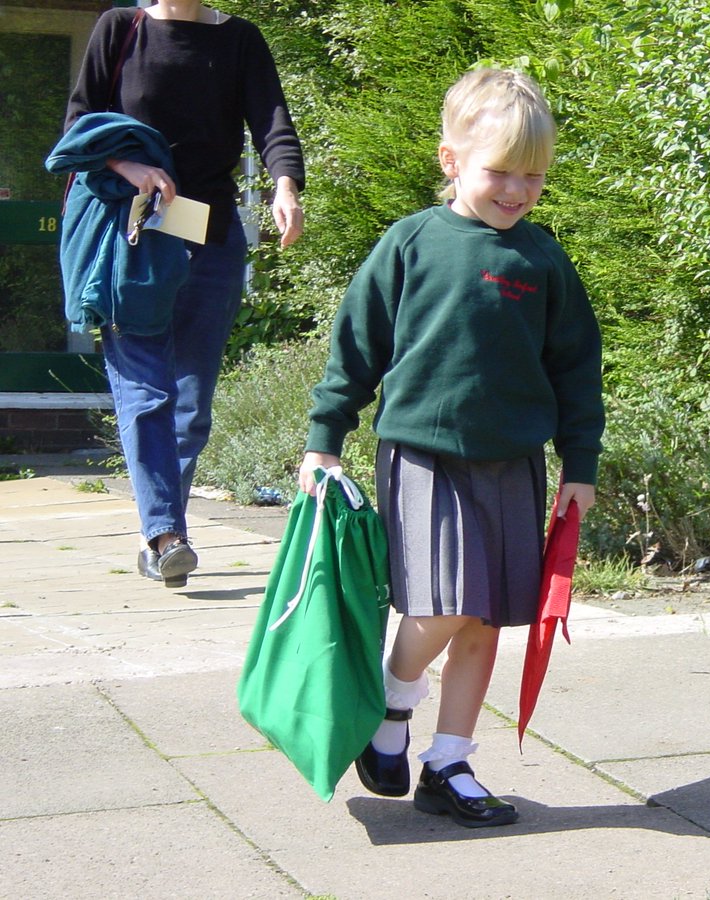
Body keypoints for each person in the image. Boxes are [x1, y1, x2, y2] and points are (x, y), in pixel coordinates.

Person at [299, 68, 604, 827]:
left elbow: (576, 369)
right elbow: (356, 347)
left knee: (484, 620)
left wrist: (581, 463)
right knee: (442, 606)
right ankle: (392, 700)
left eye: (533, 176)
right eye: (500, 171)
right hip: (424, 454)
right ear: (451, 160)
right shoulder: (411, 243)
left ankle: (449, 762)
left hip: (514, 462)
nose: (517, 190)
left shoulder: (542, 260)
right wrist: (325, 438)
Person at [63, 0, 304, 588]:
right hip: (134, 235)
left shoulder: (240, 39)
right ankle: (167, 535)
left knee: (191, 405)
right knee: (147, 391)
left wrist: (285, 186)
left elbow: (272, 121)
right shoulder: (120, 29)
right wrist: (127, 167)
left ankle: (162, 533)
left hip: (209, 237)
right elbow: (78, 124)